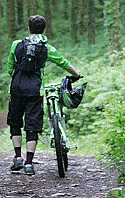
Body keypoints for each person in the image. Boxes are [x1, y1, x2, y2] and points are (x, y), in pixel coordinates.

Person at [6, 15, 81, 176]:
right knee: (32, 126)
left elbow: (10, 69)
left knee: (15, 122)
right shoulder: (46, 48)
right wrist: (77, 75)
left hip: (16, 89)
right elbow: (64, 63)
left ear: (29, 28)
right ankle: (28, 164)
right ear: (44, 29)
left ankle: (17, 157)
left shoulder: (16, 45)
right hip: (35, 91)